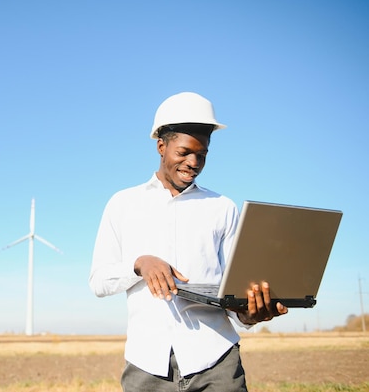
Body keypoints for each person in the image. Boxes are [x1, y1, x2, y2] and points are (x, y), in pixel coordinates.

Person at [89, 91, 288, 391]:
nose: (193, 162)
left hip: (217, 363)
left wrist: (251, 313)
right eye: (184, 152)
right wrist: (139, 264)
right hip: (147, 367)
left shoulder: (223, 207)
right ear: (161, 146)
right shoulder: (122, 204)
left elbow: (236, 290)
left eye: (202, 154)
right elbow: (98, 282)